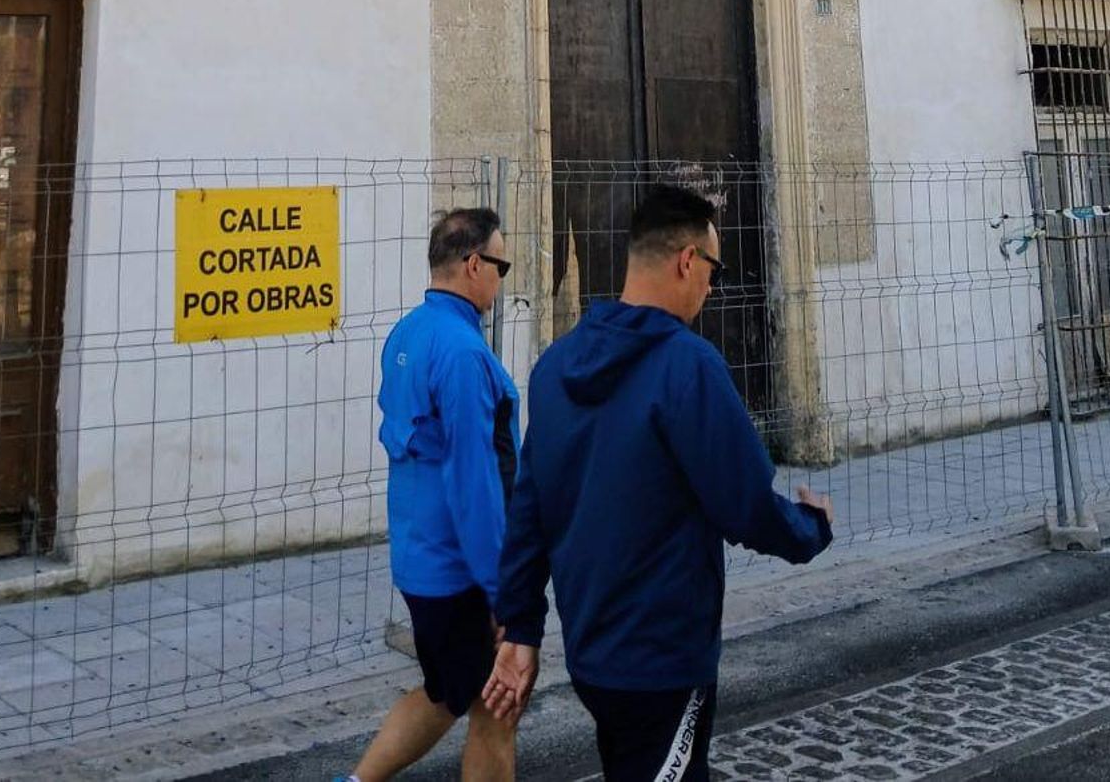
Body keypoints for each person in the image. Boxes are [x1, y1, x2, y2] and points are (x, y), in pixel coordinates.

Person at [483, 184, 835, 781]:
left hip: (592, 651)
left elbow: (530, 507)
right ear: (687, 261)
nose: (710, 288)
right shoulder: (687, 366)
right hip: (665, 655)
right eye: (713, 273)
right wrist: (811, 527)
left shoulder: (555, 365)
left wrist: (521, 625)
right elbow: (745, 504)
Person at [339, 208, 521, 782]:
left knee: (448, 690)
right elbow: (474, 481)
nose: (501, 278)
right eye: (502, 264)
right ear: (474, 265)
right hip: (459, 568)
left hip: (419, 558)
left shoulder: (407, 333)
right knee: (497, 703)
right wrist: (501, 590)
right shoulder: (464, 354)